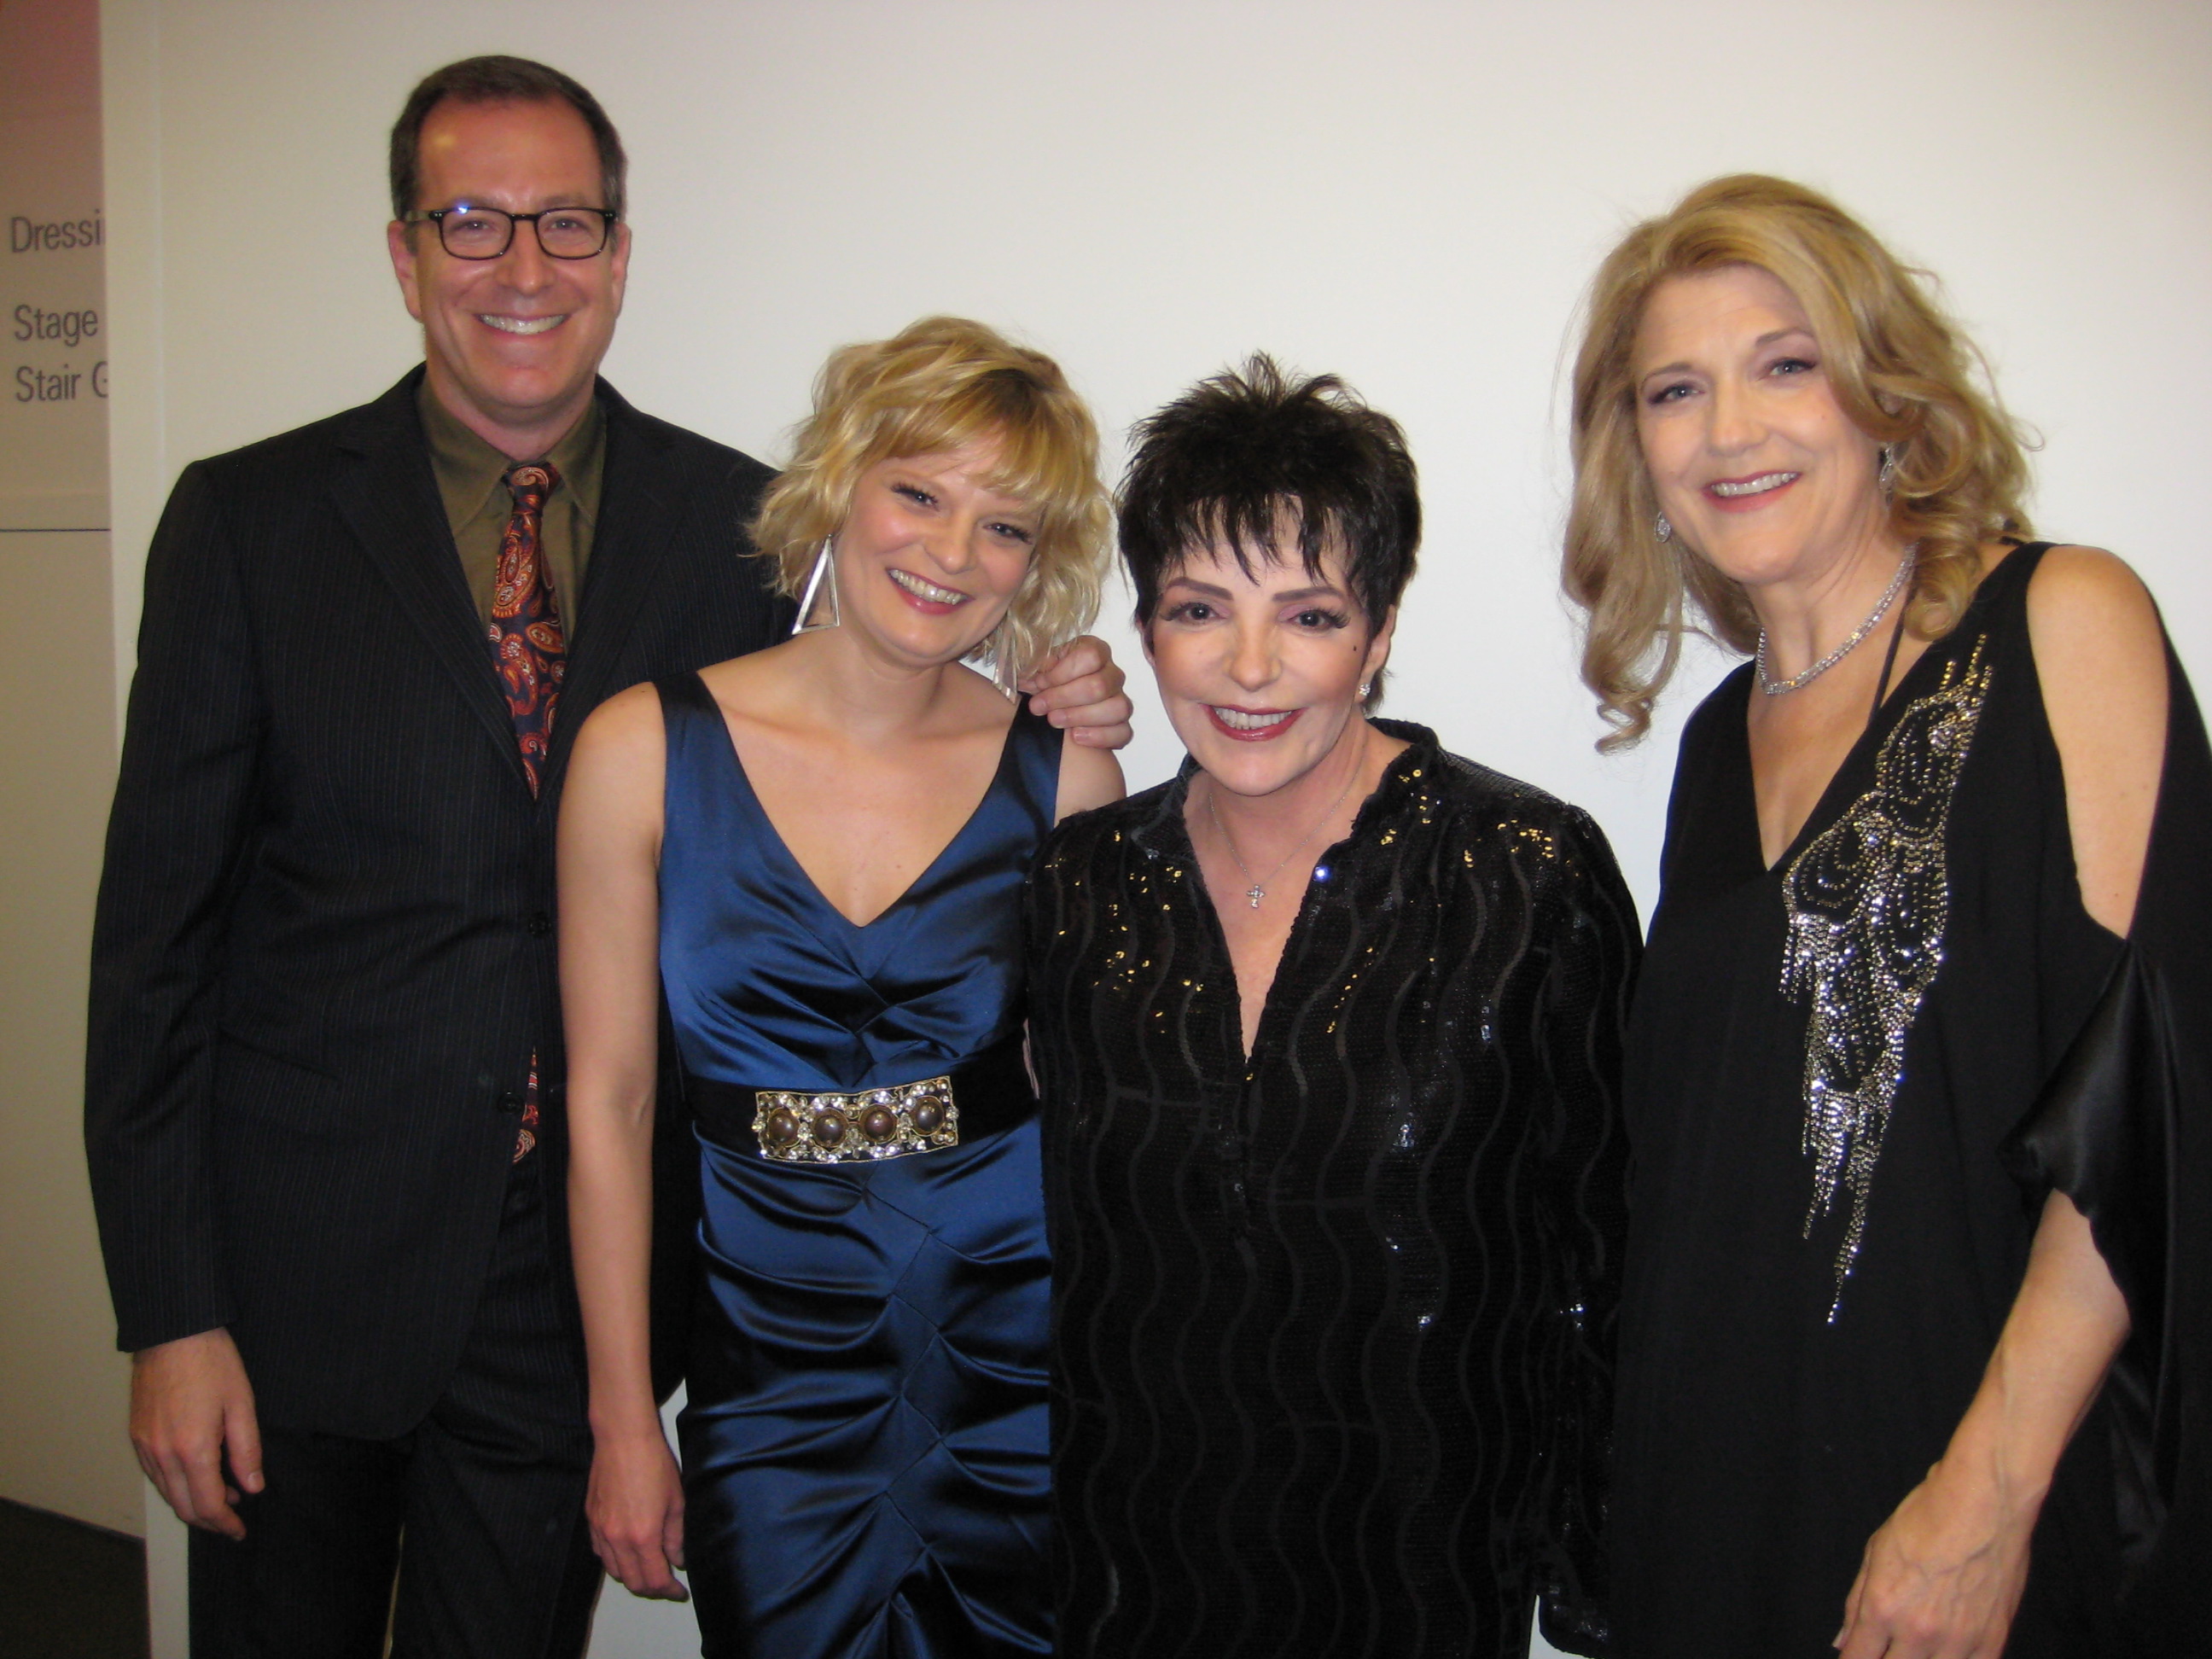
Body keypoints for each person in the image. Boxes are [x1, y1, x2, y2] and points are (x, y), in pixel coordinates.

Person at [83, 61, 1130, 1657]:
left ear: (622, 256)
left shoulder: (736, 526)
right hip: (305, 1274)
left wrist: (1064, 696)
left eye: (567, 224)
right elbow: (153, 945)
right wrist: (170, 1310)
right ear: (405, 253)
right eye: (474, 223)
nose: (524, 267)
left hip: (582, 1292)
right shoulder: (250, 521)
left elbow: (881, 703)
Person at [1563, 173, 2212, 1657]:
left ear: (1881, 391)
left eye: (1784, 364)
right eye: (1677, 390)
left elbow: (2156, 1097)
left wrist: (1986, 1495)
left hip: (1972, 1507)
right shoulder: (1718, 742)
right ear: (1637, 448)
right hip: (1715, 1504)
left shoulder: (2061, 621)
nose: (1730, 430)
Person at [1025, 358, 1639, 1658]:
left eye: (1308, 616)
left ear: (1381, 629)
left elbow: (1603, 1247)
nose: (1249, 668)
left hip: (1420, 1568)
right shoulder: (1080, 890)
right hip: (1131, 1564)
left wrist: (1592, 1563)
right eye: (1199, 608)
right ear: (1145, 628)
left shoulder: (1525, 874)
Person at [561, 315, 1123, 1657]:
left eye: (1004, 527)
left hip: (1017, 1351)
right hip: (768, 1357)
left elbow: (1094, 1099)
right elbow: (611, 1104)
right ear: (840, 480)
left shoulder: (1071, 778)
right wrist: (623, 1416)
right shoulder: (641, 749)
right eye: (919, 492)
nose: (949, 552)